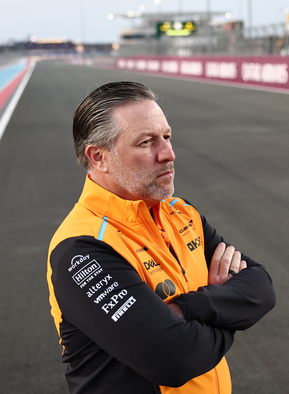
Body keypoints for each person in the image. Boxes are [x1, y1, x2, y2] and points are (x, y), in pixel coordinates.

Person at [47, 81, 276, 394]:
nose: (168, 153)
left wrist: (186, 311)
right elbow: (175, 359)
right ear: (99, 157)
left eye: (167, 137)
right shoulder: (82, 249)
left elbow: (261, 288)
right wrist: (229, 315)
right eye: (146, 142)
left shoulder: (181, 213)